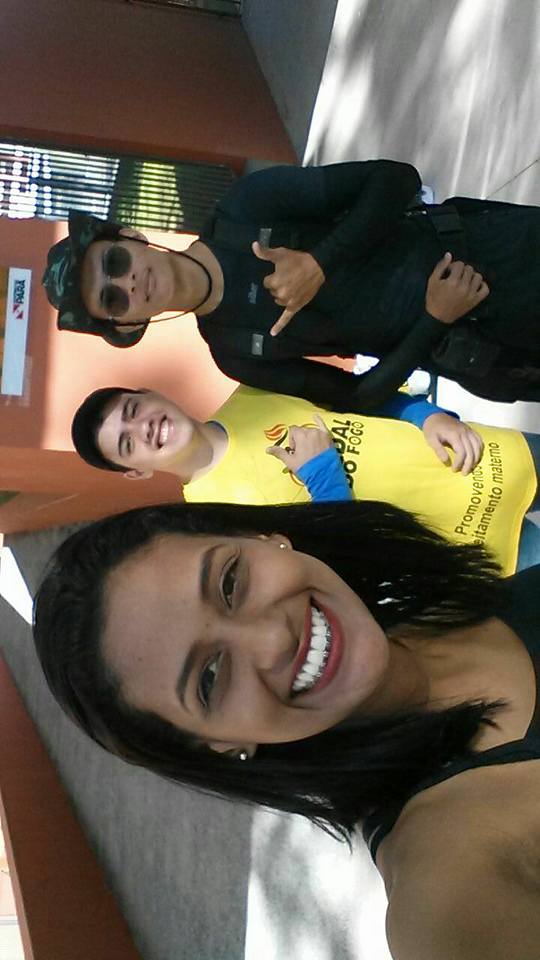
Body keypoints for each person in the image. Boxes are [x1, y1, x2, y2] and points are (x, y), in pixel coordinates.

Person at [33, 499, 540, 959]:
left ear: (263, 538)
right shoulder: (449, 892)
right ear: (223, 745)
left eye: (230, 582)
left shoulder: (437, 605)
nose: (274, 638)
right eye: (209, 678)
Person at [42, 161, 540, 407]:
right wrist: (434, 320)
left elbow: (396, 179)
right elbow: (357, 398)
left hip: (502, 256)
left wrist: (320, 262)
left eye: (114, 262)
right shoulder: (234, 351)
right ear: (127, 325)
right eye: (112, 298)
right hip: (493, 354)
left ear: (131, 236)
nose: (128, 282)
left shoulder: (246, 208)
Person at [70, 382, 538, 574]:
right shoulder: (216, 525)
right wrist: (322, 476)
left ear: (151, 394)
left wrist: (428, 416)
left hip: (495, 459)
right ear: (137, 471)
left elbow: (365, 395)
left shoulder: (252, 390)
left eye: (133, 409)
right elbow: (338, 568)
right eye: (127, 442)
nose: (143, 427)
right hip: (483, 548)